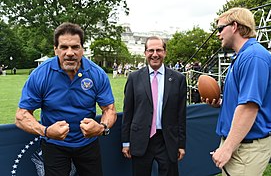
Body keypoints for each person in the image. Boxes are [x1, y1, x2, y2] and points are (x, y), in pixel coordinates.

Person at [15, 22, 117, 176]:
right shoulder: (41, 74)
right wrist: (47, 131)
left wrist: (102, 128)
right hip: (54, 145)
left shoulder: (97, 73)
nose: (70, 53)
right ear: (56, 49)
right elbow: (21, 116)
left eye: (75, 47)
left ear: (82, 49)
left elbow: (109, 109)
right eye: (64, 47)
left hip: (87, 144)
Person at [204, 7, 271, 176]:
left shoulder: (254, 56)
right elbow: (244, 100)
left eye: (220, 28)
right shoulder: (243, 55)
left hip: (247, 146)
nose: (218, 34)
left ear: (234, 26)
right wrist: (221, 103)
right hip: (240, 143)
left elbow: (250, 107)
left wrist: (227, 148)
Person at [121, 36, 187, 176]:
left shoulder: (178, 79)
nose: (155, 54)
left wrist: (181, 144)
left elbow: (181, 115)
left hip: (167, 140)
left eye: (159, 50)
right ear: (145, 53)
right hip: (141, 140)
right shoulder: (134, 78)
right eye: (151, 50)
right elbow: (128, 112)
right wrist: (125, 142)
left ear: (165, 52)